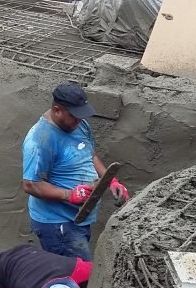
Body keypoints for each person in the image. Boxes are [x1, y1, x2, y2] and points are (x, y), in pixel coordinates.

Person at [21, 83, 129, 261]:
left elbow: (90, 155)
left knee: (78, 274)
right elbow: (31, 185)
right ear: (57, 110)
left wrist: (111, 181)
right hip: (57, 224)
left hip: (78, 219)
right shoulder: (40, 139)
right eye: (74, 116)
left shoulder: (79, 125)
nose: (79, 121)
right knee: (76, 277)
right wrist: (69, 194)